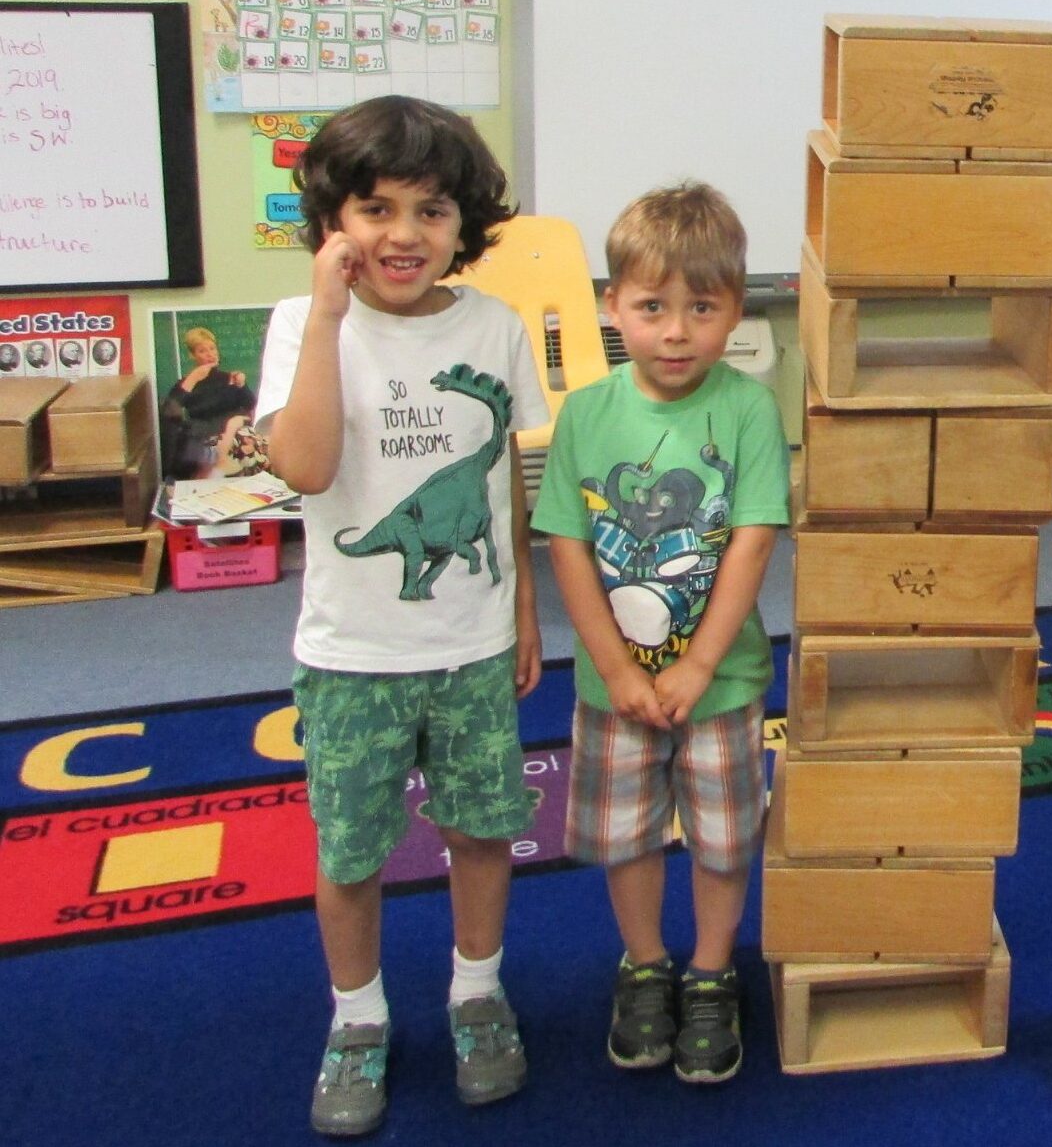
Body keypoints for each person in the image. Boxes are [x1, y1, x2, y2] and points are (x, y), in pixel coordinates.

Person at [254, 95, 549, 1137]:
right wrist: (331, 320)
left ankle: (477, 991)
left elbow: (506, 485)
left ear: (463, 223)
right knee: (351, 851)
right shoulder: (300, 325)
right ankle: (358, 1015)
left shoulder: (495, 328)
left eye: (430, 210)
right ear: (333, 220)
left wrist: (520, 607)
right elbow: (307, 467)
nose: (402, 236)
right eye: (374, 209)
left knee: (480, 829)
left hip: (470, 644)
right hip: (351, 653)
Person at [531, 182, 789, 1086]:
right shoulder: (588, 414)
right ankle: (644, 965)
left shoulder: (749, 410)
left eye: (702, 309)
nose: (676, 332)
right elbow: (565, 541)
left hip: (718, 686)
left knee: (725, 834)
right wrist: (614, 666)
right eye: (651, 308)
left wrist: (698, 664)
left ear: (735, 312)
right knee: (628, 833)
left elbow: (752, 539)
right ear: (612, 307)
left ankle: (713, 970)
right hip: (616, 689)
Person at [158, 325, 257, 479]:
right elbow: (169, 412)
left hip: (233, 432)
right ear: (193, 355)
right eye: (202, 351)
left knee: (249, 443)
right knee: (198, 451)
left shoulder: (229, 378)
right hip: (203, 435)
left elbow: (250, 404)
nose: (210, 354)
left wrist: (242, 386)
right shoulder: (187, 383)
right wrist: (193, 379)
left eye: (212, 348)